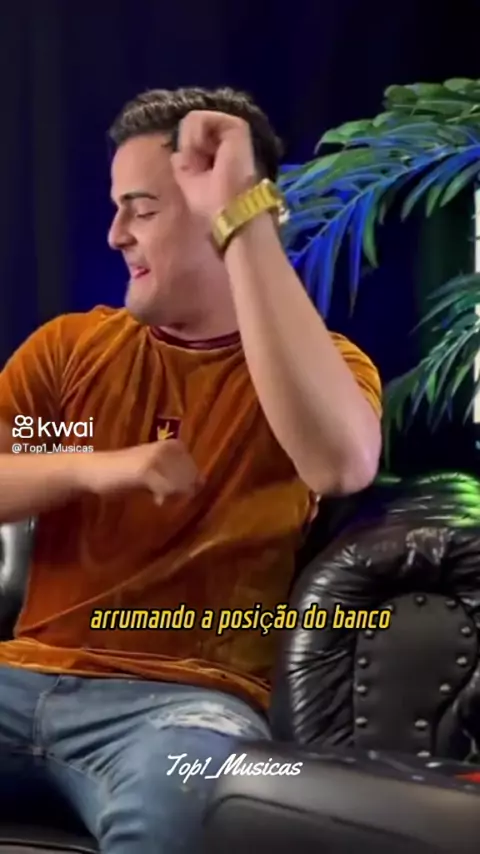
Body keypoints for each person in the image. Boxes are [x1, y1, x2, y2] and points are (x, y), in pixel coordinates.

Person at [0, 86, 382, 852]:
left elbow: (342, 465)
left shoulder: (324, 370)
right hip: (20, 680)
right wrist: (100, 467)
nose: (115, 235)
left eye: (140, 210)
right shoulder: (72, 350)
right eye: (116, 209)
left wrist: (242, 211)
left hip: (184, 710)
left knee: (178, 802)